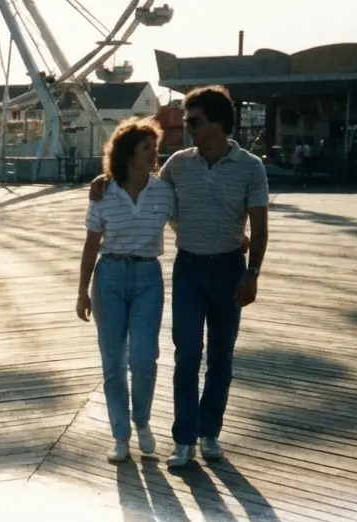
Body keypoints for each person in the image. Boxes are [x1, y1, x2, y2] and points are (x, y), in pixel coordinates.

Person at [90, 84, 269, 468]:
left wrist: (252, 270)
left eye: (194, 121)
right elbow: (148, 193)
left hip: (229, 270)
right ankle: (184, 439)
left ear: (218, 123)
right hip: (187, 268)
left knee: (221, 356)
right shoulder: (178, 165)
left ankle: (210, 434)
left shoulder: (251, 167)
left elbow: (260, 224)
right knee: (187, 354)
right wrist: (105, 179)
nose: (186, 127)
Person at [76, 117, 176, 462]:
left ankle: (142, 421)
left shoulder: (164, 191)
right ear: (129, 153)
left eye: (155, 147)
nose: (154, 153)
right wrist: (82, 291)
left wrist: (234, 236)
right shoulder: (105, 191)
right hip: (109, 277)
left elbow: (187, 225)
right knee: (113, 362)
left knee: (144, 358)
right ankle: (120, 435)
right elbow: (91, 246)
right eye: (147, 147)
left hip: (148, 275)